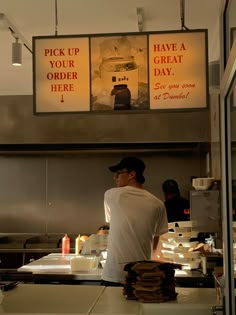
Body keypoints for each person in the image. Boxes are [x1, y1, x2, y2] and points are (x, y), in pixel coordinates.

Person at [102, 156, 168, 286]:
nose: (115, 178)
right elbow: (156, 238)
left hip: (114, 274)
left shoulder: (112, 195)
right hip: (142, 275)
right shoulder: (158, 204)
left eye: (118, 173)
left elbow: (113, 223)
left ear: (132, 174)